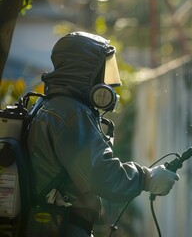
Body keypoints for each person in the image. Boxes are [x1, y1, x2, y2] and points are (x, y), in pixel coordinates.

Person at [26, 31, 179, 236]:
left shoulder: (51, 105)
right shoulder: (71, 113)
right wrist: (147, 178)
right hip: (63, 227)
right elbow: (101, 176)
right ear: (85, 71)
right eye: (103, 71)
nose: (109, 83)